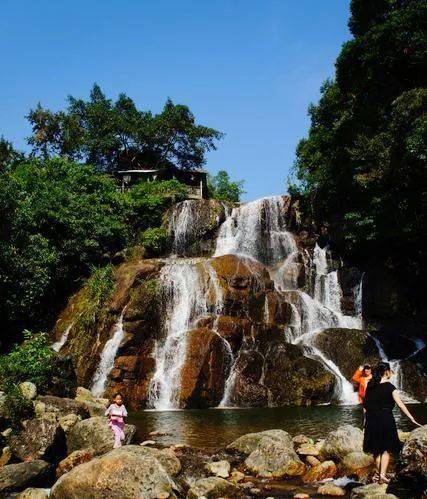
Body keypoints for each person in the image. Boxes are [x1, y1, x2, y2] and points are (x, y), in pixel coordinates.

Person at [363, 362, 421, 484]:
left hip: (371, 418)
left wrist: (364, 421)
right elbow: (400, 405)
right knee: (385, 449)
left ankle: (380, 474)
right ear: (387, 372)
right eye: (390, 371)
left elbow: (365, 406)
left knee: (376, 449)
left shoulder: (370, 385)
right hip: (385, 418)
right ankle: (382, 477)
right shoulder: (390, 387)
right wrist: (411, 418)